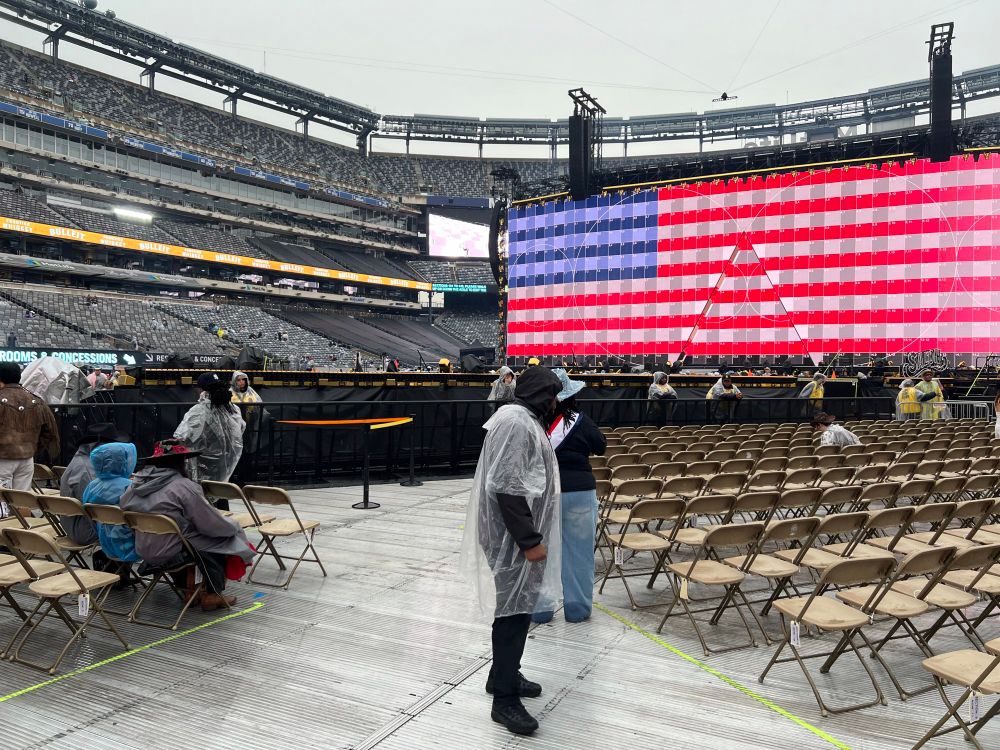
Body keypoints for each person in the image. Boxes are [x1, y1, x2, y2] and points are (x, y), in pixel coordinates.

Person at [459, 366, 562, 736]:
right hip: (511, 540)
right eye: (553, 396)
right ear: (542, 395)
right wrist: (529, 541)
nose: (556, 403)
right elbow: (506, 486)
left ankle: (503, 674)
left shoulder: (521, 419)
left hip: (514, 537)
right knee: (513, 614)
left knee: (518, 609)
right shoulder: (517, 422)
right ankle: (504, 701)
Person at [121, 440, 253, 611]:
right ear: (180, 462)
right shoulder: (183, 486)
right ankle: (212, 594)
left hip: (144, 547)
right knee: (226, 538)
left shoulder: (134, 486)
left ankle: (189, 591)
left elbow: (124, 507)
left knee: (192, 536)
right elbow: (210, 524)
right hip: (174, 550)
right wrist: (233, 526)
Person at [533, 369, 605, 624]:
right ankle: (578, 609)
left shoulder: (534, 422)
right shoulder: (581, 421)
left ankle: (541, 608)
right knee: (580, 552)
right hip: (580, 492)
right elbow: (600, 445)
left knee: (542, 551)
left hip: (546, 493)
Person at [0, 362, 59, 518]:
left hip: (3, 459)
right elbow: (49, 433)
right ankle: (22, 531)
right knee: (22, 501)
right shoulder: (36, 400)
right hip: (26, 459)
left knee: (3, 503)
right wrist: (33, 448)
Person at [173, 372, 246, 493]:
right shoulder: (233, 409)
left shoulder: (199, 411)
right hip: (225, 464)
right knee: (220, 494)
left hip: (203, 467)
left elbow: (182, 438)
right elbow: (240, 430)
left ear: (202, 390)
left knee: (204, 497)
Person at [59, 422, 122, 546]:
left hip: (72, 524)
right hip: (84, 530)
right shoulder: (87, 469)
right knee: (134, 523)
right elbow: (98, 504)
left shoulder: (81, 460)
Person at [82, 441, 140, 573]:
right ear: (121, 462)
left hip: (105, 542)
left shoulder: (92, 486)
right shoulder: (129, 487)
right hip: (131, 544)